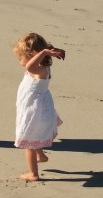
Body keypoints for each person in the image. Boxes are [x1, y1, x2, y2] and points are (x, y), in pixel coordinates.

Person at [12, 33, 66, 181]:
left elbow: (29, 66)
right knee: (34, 135)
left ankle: (33, 174)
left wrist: (43, 52)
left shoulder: (37, 69)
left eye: (21, 57)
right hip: (38, 108)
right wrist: (47, 50)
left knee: (28, 142)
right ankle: (40, 155)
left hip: (33, 111)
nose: (20, 61)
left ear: (32, 55)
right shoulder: (43, 66)